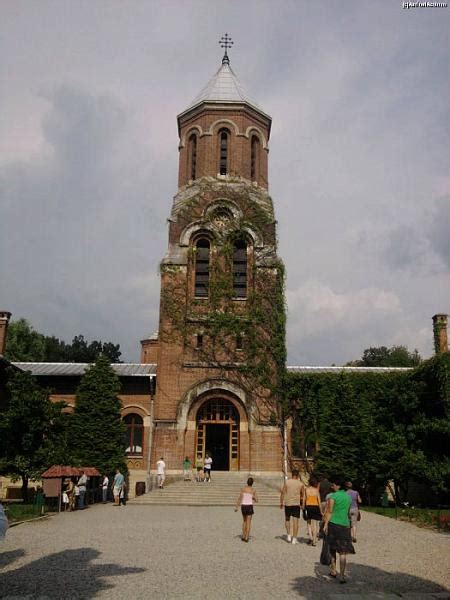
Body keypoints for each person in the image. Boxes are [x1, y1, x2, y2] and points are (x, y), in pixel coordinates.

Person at [323, 475, 355, 583]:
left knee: (332, 548)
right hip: (345, 525)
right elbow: (348, 512)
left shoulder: (333, 497)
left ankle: (333, 570)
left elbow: (329, 512)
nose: (332, 486)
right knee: (343, 552)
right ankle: (342, 575)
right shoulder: (348, 497)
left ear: (338, 486)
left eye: (334, 484)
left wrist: (325, 524)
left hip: (334, 524)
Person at [280, 469, 304, 544]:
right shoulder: (300, 484)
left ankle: (288, 535)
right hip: (296, 504)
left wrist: (281, 502)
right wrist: (302, 504)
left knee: (287, 519)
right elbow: (302, 495)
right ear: (297, 475)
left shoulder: (287, 482)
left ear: (292, 474)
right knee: (295, 521)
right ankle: (294, 538)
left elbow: (283, 492)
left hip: (288, 503)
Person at [235, 477, 258, 542]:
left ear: (247, 482)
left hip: (243, 506)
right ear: (252, 483)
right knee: (249, 523)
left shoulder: (243, 489)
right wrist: (253, 497)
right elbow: (257, 500)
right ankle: (247, 537)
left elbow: (240, 498)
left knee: (244, 521)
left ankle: (243, 535)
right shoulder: (253, 490)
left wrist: (237, 507)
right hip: (249, 506)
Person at [304, 475, 322, 546]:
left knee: (308, 523)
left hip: (308, 506)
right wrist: (321, 511)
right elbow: (319, 501)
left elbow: (304, 499)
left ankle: (310, 537)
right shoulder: (316, 490)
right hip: (315, 506)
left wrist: (303, 506)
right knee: (315, 524)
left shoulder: (306, 490)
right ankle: (314, 540)